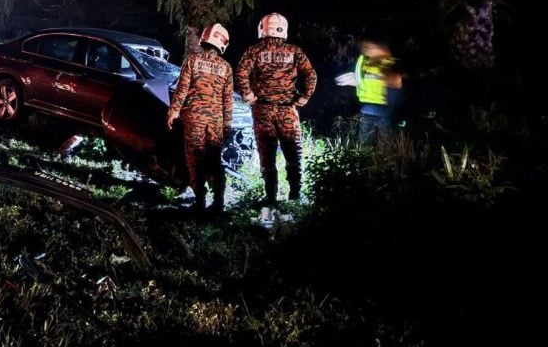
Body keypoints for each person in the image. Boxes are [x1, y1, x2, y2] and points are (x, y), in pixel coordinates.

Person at [235, 13, 317, 212]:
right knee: (293, 153)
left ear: (263, 28)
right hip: (288, 110)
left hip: (262, 110)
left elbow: (241, 72)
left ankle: (270, 198)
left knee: (267, 154)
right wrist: (305, 97)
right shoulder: (294, 51)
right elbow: (311, 74)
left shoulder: (255, 51)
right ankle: (295, 195)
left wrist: (248, 94)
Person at [166, 23, 234, 214]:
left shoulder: (192, 61)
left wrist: (173, 111)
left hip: (194, 118)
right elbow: (228, 99)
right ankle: (218, 202)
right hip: (216, 121)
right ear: (222, 44)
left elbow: (182, 88)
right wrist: (227, 124)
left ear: (204, 39)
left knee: (195, 159)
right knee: (214, 160)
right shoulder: (226, 68)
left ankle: (200, 201)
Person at [335, 40, 402, 144]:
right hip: (367, 108)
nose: (365, 49)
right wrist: (354, 81)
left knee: (387, 142)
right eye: (364, 47)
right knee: (364, 143)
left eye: (370, 47)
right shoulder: (363, 61)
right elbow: (363, 81)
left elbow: (397, 81)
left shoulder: (387, 62)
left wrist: (381, 75)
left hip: (384, 108)